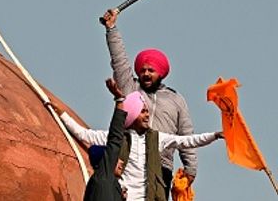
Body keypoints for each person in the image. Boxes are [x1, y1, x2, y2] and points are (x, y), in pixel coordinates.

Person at [59, 81, 223, 201]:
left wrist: (215, 135)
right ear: (133, 114)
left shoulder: (157, 139)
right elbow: (83, 134)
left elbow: (187, 141)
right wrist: (59, 112)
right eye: (143, 111)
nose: (147, 115)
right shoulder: (117, 139)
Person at [100, 8, 197, 196]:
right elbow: (119, 61)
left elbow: (186, 136)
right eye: (143, 70)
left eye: (151, 70)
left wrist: (190, 169)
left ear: (160, 73)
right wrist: (111, 29)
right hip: (127, 162)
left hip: (161, 168)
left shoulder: (176, 100)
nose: (145, 74)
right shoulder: (131, 89)